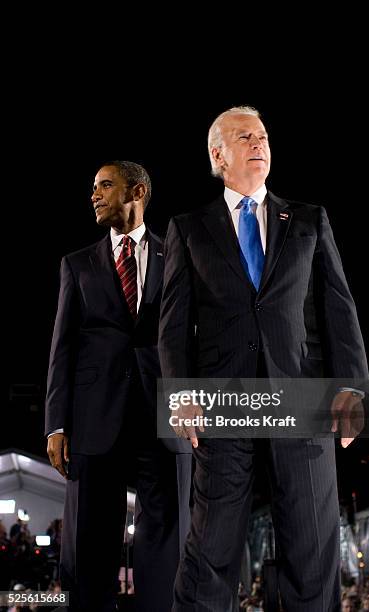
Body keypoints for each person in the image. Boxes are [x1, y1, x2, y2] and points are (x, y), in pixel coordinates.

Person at [158, 107, 369, 611]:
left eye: (263, 136)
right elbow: (172, 327)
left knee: (312, 551)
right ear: (218, 154)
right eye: (244, 137)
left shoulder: (309, 219)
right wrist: (182, 395)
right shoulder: (188, 229)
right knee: (209, 552)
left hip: (302, 404)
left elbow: (338, 310)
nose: (258, 143)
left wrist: (353, 389)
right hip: (223, 411)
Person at [45, 161, 191, 612]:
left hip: (162, 416)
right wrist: (56, 425)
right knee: (90, 539)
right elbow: (62, 348)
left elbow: (192, 337)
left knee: (167, 535)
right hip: (94, 418)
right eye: (94, 187)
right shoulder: (77, 263)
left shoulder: (179, 255)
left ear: (138, 191)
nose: (94, 194)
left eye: (105, 185)